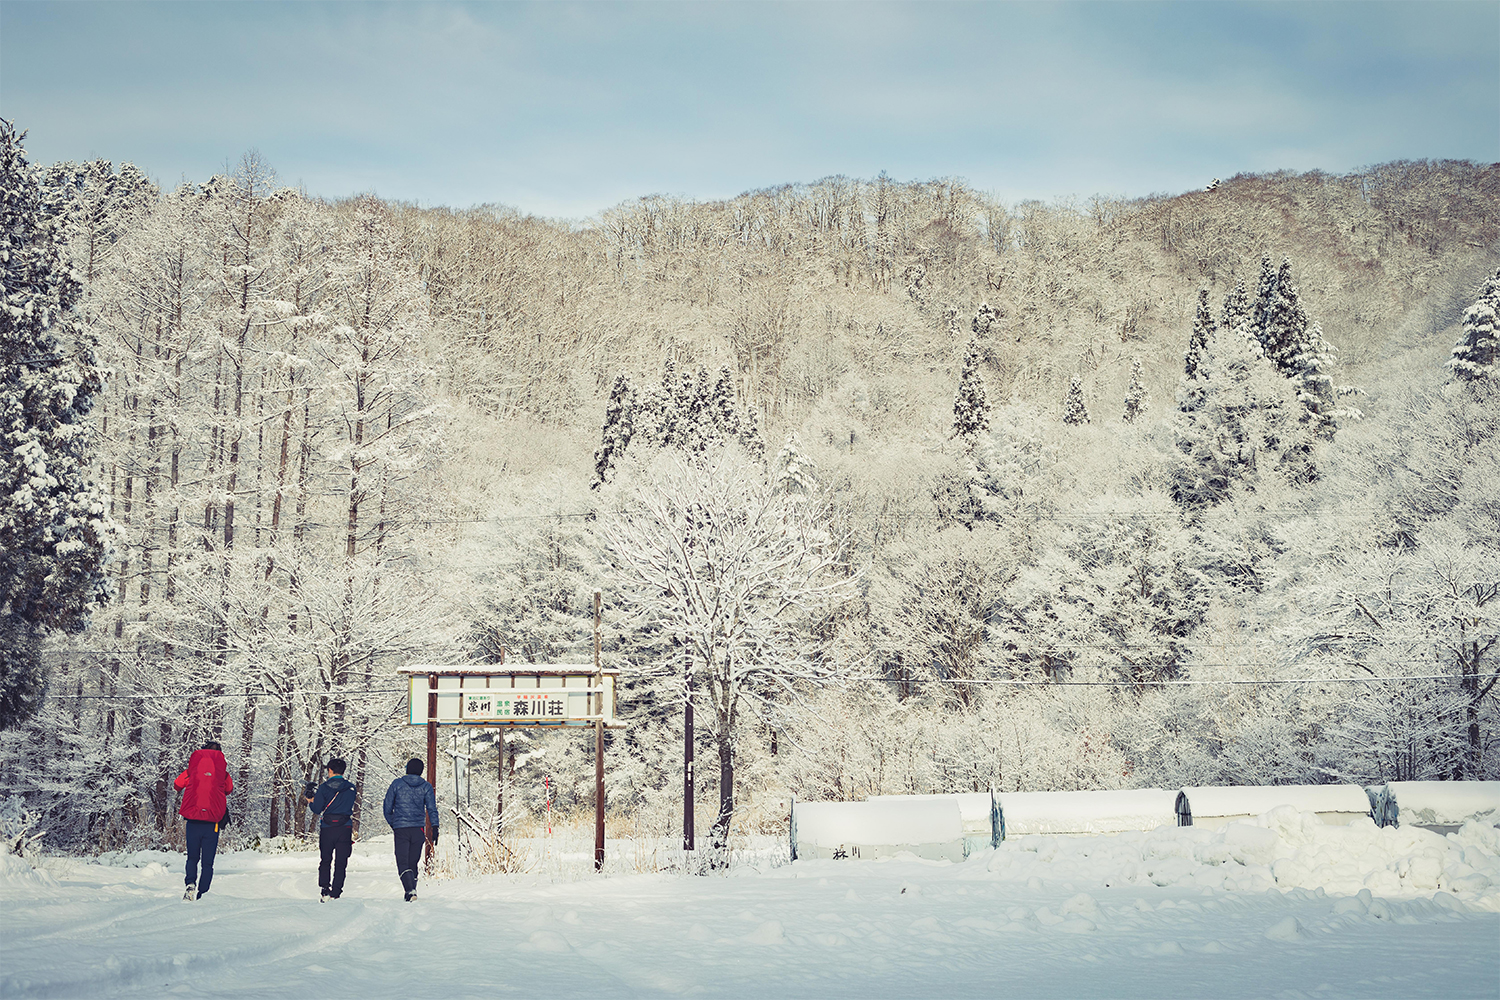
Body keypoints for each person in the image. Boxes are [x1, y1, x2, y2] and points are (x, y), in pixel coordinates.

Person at [174, 740, 233, 901]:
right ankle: (203, 893)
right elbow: (229, 789)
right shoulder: (223, 773)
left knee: (192, 857)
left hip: (193, 822)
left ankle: (190, 883)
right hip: (212, 824)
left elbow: (177, 785)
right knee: (207, 862)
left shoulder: (192, 771)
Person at [383, 758, 439, 901]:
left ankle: (410, 890)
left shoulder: (397, 784)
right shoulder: (426, 787)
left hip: (401, 828)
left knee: (402, 862)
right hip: (418, 829)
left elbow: (387, 808)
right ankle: (411, 891)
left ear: (407, 768)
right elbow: (432, 809)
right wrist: (435, 827)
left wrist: (394, 824)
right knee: (412, 862)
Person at [305, 758, 357, 901]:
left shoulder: (323, 788)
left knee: (326, 859)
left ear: (330, 770)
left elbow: (317, 809)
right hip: (344, 827)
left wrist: (311, 801)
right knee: (341, 861)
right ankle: (337, 891)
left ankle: (324, 889)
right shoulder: (351, 788)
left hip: (327, 828)